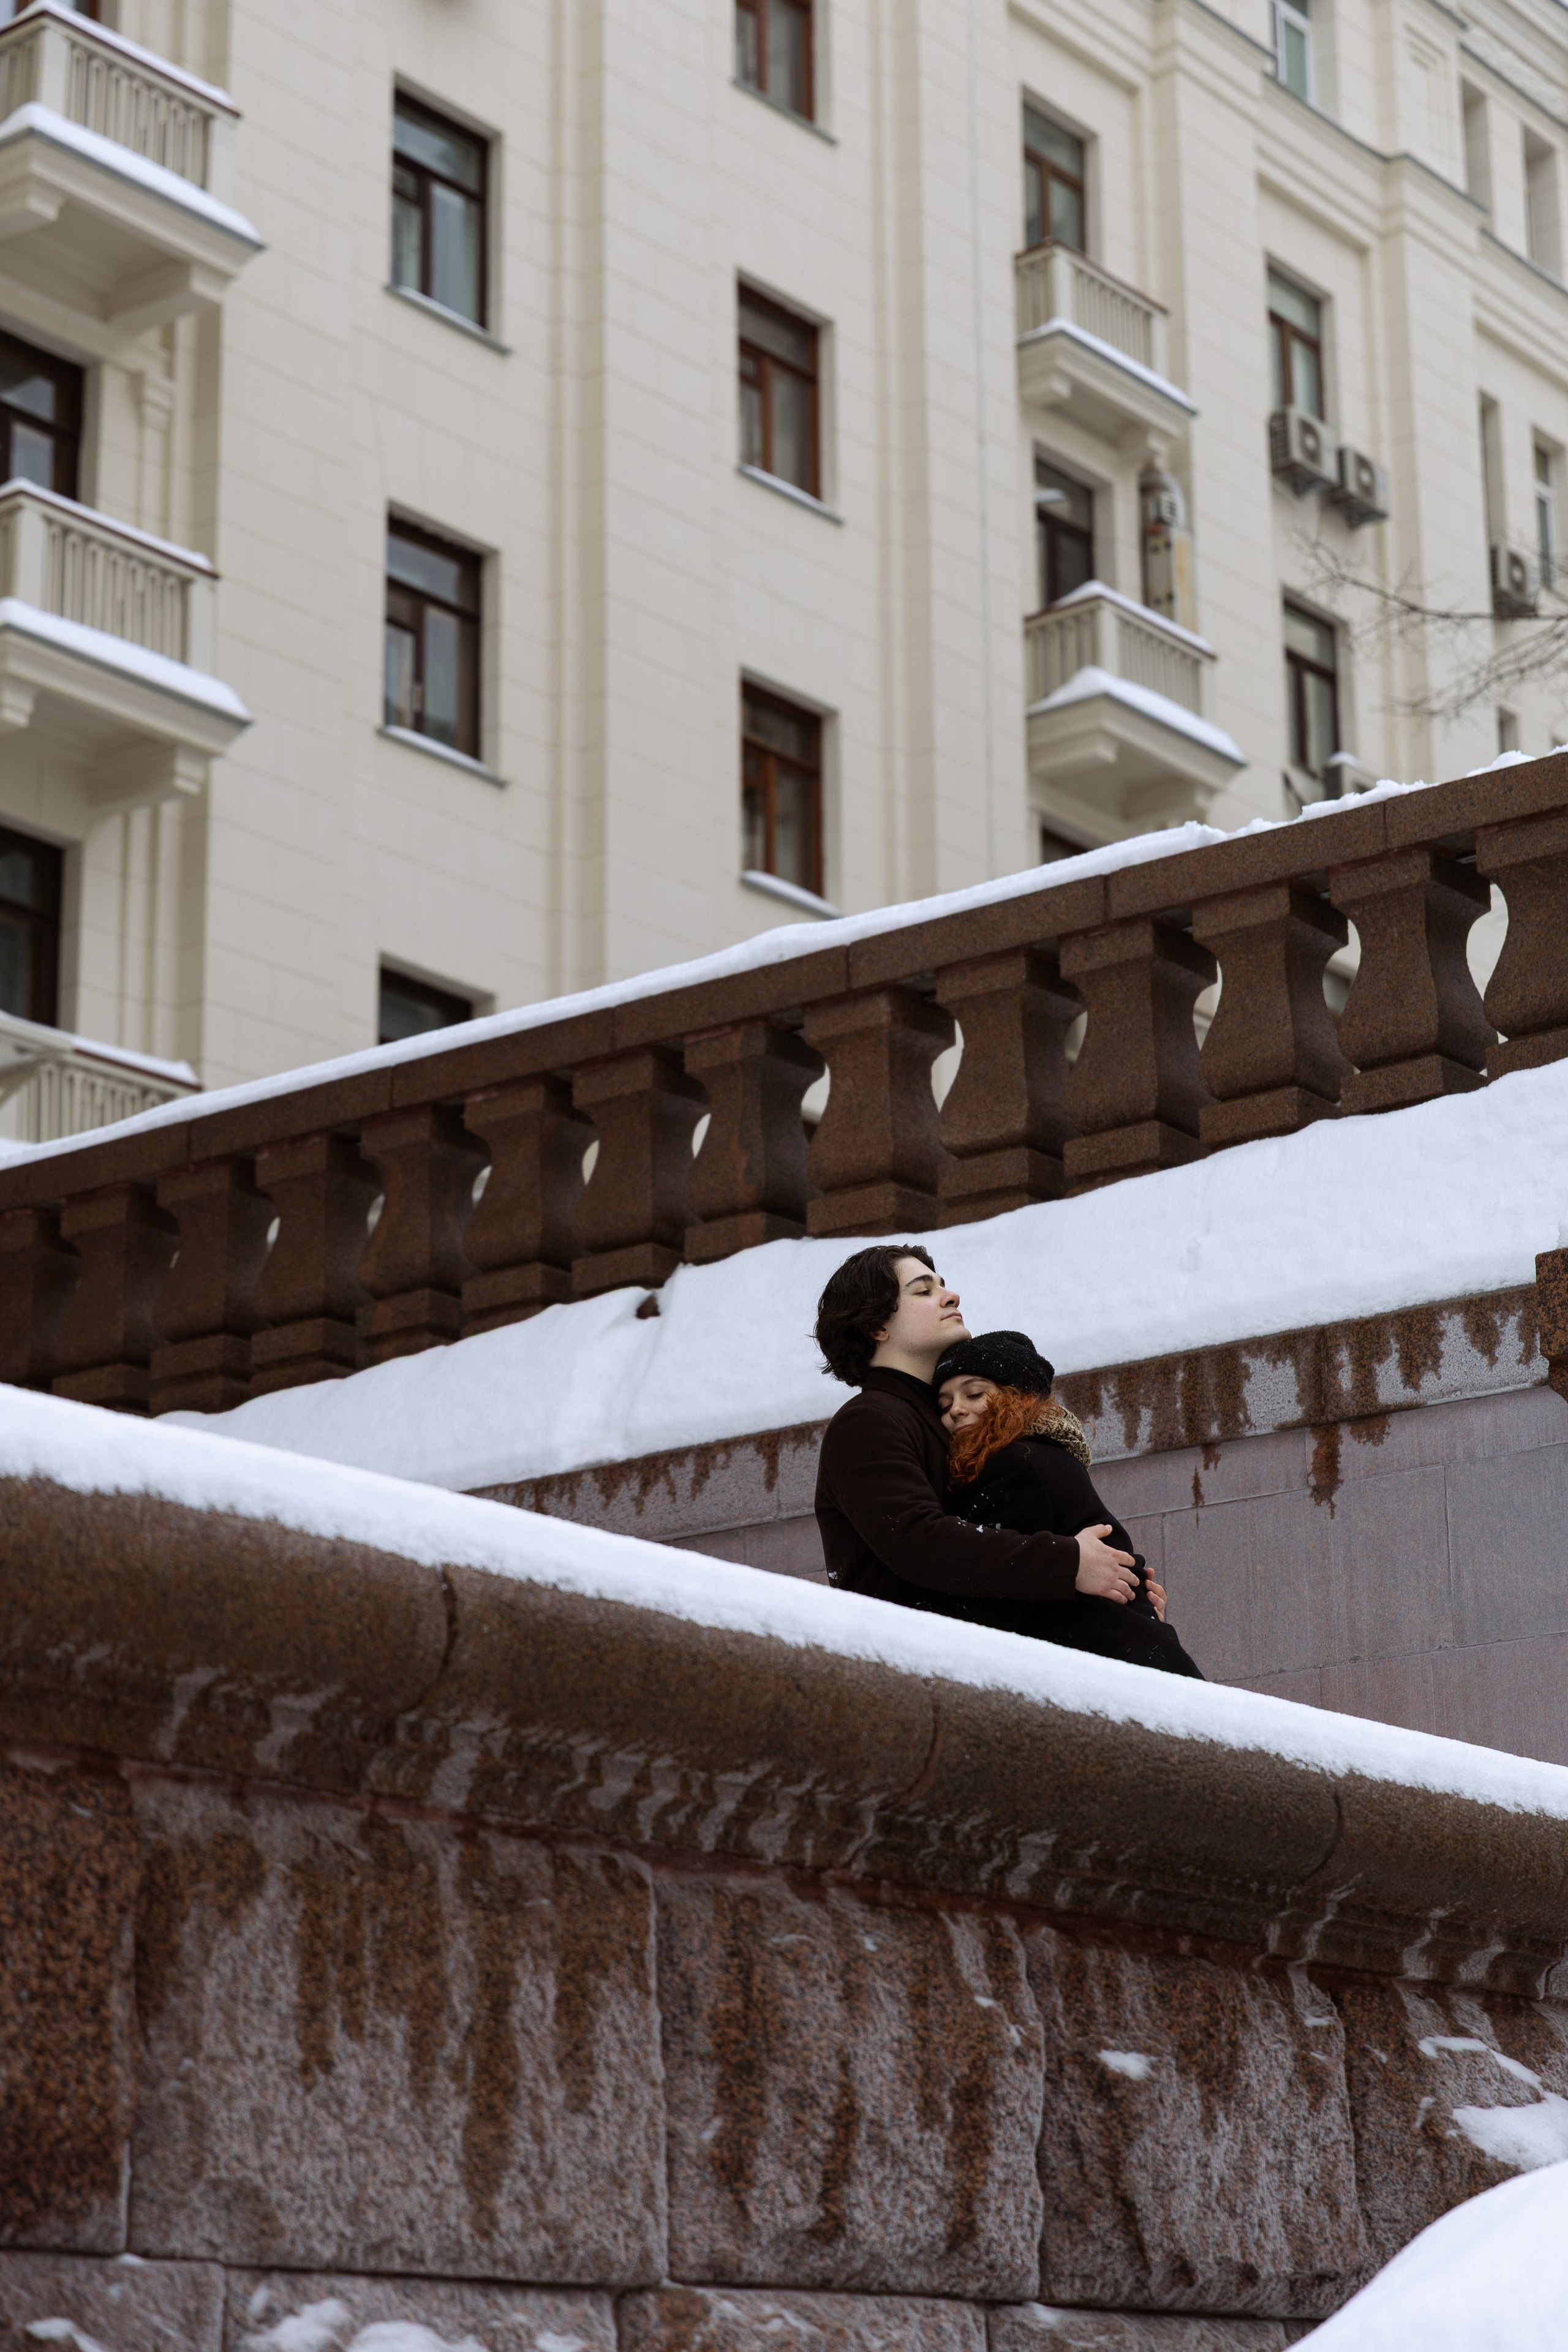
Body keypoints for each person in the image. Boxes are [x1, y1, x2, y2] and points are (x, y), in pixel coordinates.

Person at [812, 1244, 1140, 1622]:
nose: (951, 1296)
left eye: (943, 1285)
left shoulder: (950, 1419)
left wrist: (1126, 1594)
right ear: (877, 1327)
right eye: (924, 1291)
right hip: (910, 1650)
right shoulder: (867, 1421)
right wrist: (1070, 1563)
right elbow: (918, 1542)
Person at [935, 1329, 1203, 1677]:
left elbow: (988, 1602)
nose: (956, 1410)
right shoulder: (1046, 1455)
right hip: (1135, 1667)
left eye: (974, 1394)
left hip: (1114, 1676)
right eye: (944, 1405)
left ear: (1018, 1398)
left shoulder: (1012, 1466)